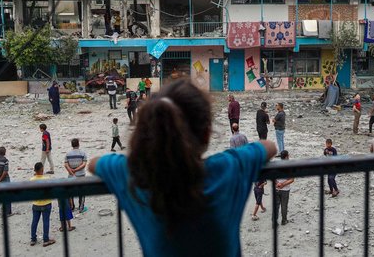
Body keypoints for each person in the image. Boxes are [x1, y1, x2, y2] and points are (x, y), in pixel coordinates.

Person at [88, 80, 277, 256]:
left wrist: (140, 155)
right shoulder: (227, 168)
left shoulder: (133, 175)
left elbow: (94, 164)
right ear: (207, 133)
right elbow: (269, 147)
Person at [30, 162, 56, 247]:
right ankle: (45, 240)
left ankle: (33, 239)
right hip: (46, 203)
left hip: (36, 203)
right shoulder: (46, 179)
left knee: (34, 221)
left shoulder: (32, 180)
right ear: (42, 169)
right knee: (46, 221)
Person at [64, 138, 88, 213]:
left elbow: (66, 164)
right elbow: (84, 164)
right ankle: (81, 207)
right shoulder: (82, 153)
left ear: (72, 145)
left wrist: (71, 171)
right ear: (78, 144)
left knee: (71, 191)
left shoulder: (68, 154)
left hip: (71, 175)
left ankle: (72, 207)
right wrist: (76, 169)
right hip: (81, 174)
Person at [273, 150, 294, 226]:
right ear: (286, 157)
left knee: (276, 205)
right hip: (285, 189)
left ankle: (274, 221)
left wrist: (277, 183)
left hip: (277, 188)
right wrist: (283, 184)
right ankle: (284, 220)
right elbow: (292, 179)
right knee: (284, 205)